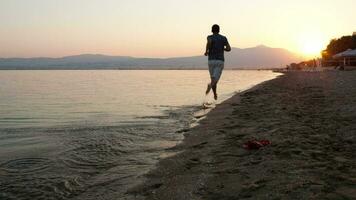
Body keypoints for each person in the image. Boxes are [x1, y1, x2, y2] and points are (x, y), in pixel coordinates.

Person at [204, 24, 231, 100]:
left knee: (213, 78)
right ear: (219, 30)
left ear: (212, 30)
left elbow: (209, 42)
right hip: (220, 61)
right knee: (214, 80)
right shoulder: (223, 38)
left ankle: (215, 94)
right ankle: (210, 86)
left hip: (211, 60)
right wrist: (223, 48)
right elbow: (229, 49)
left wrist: (206, 51)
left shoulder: (209, 37)